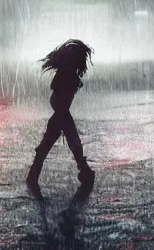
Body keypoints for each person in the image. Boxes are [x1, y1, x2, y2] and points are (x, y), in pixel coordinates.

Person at [26, 39, 96, 198]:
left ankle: (83, 170)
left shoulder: (67, 74)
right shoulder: (68, 76)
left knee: (58, 142)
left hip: (61, 112)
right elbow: (60, 96)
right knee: (70, 141)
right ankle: (84, 170)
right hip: (61, 112)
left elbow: (57, 95)